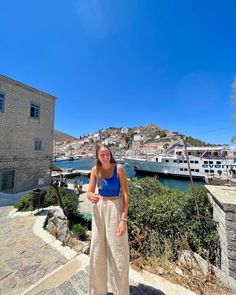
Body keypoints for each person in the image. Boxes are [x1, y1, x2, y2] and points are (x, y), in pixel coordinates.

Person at [87, 145, 129, 295]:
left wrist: (123, 219)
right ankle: (98, 291)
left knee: (119, 256)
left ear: (110, 154)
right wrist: (90, 196)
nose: (105, 156)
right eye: (101, 154)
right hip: (98, 210)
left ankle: (121, 292)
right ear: (97, 156)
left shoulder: (119, 169)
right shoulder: (94, 170)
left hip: (115, 209)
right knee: (96, 251)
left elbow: (125, 194)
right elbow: (89, 192)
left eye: (107, 154)